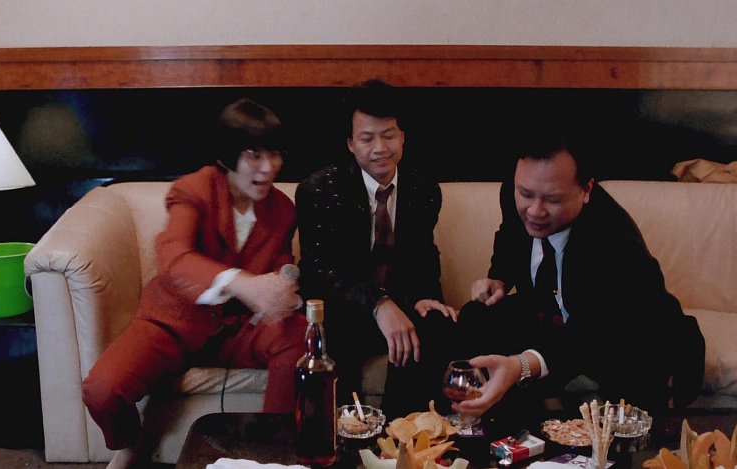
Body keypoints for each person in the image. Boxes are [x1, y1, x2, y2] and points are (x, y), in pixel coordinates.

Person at [82, 98, 307, 469]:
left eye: (275, 155)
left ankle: (273, 451)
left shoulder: (282, 208)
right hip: (172, 323)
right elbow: (172, 255)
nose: (268, 168)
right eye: (254, 156)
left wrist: (284, 282)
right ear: (227, 156)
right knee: (102, 391)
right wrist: (242, 282)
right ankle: (131, 442)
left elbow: (282, 260)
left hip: (238, 329)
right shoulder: (193, 190)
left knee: (298, 336)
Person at [453, 131, 704, 423]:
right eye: (526, 194)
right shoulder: (515, 192)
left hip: (627, 335)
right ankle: (500, 430)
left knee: (623, 418)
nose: (534, 210)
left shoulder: (616, 244)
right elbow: (510, 233)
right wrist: (499, 279)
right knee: (477, 318)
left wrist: (520, 365)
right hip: (553, 315)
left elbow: (588, 333)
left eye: (552, 200)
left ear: (586, 190)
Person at [295, 79, 458, 418]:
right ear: (351, 144)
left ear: (403, 136)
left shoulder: (423, 187)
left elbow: (423, 255)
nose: (380, 148)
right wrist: (378, 304)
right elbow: (320, 271)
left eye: (388, 135)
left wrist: (425, 296)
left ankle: (403, 432)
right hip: (344, 305)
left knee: (438, 325)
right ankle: (345, 433)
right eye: (367, 138)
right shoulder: (319, 189)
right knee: (335, 334)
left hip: (400, 301)